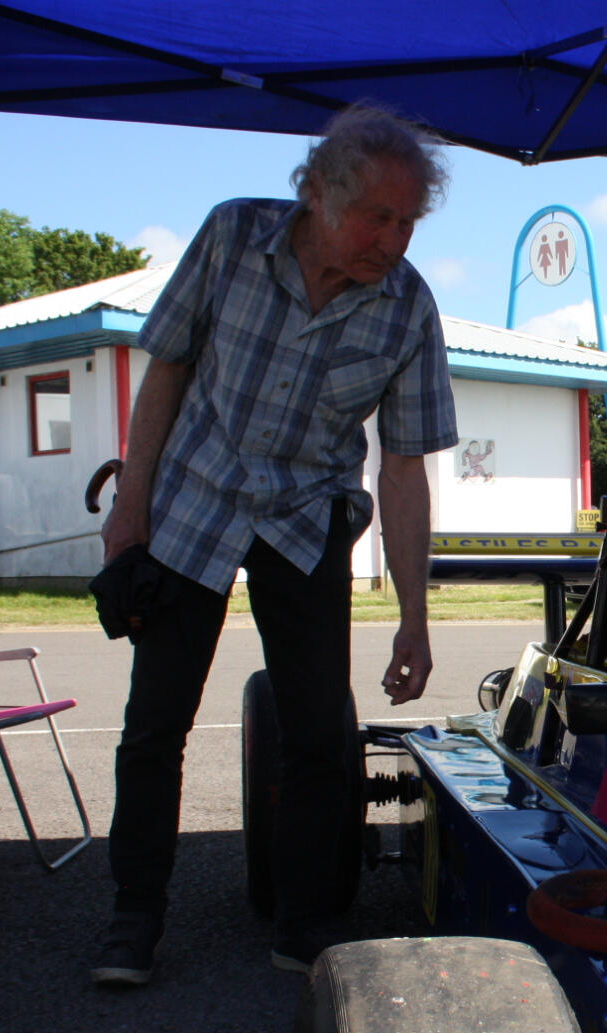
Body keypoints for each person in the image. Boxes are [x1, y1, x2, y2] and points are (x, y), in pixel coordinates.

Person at [90, 103, 458, 986]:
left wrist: (415, 613)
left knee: (318, 732)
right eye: (379, 217)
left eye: (409, 223)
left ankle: (306, 924)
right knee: (155, 723)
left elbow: (403, 470)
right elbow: (167, 365)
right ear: (319, 195)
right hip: (196, 502)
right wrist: (129, 511)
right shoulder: (232, 236)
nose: (394, 240)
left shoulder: (408, 308)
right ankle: (132, 918)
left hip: (306, 516)